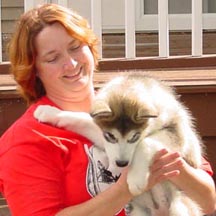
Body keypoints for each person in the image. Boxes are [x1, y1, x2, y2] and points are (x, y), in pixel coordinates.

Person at [0, 3, 215, 216]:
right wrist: (125, 189)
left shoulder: (133, 108)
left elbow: (208, 201)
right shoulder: (25, 140)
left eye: (75, 47)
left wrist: (165, 163)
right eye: (53, 58)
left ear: (90, 48)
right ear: (34, 70)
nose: (72, 63)